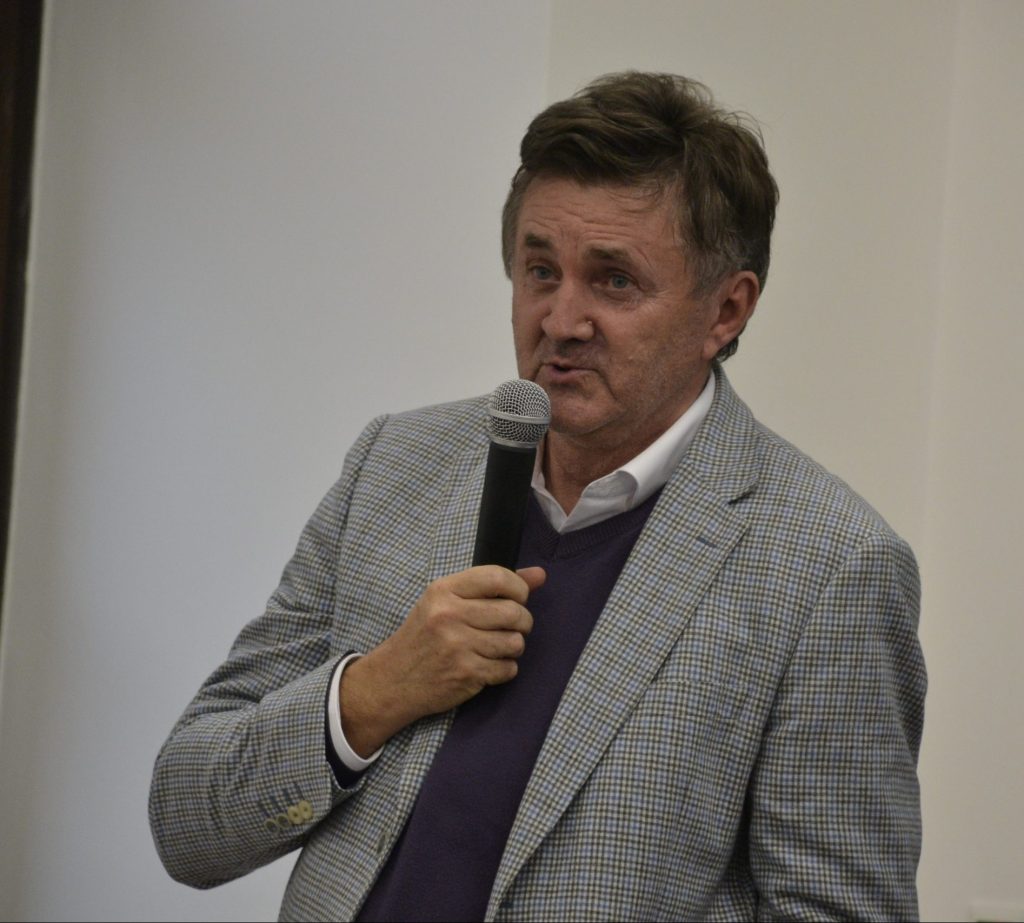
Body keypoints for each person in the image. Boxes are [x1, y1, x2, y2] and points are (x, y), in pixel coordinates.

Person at [149, 72, 926, 921]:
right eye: (540, 270)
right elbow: (187, 822)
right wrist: (373, 693)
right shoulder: (396, 464)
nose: (560, 320)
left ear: (726, 310)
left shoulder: (830, 566)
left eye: (614, 281)